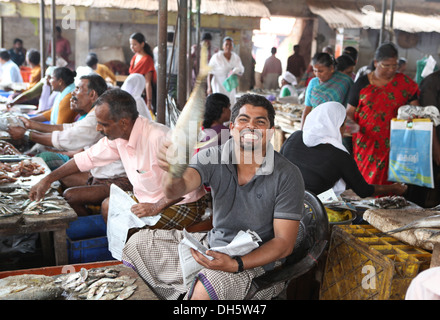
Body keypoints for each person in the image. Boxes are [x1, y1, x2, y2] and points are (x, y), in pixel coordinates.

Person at [122, 93, 305, 300]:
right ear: (233, 128)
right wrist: (173, 172)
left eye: (260, 122)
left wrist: (237, 264)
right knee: (137, 244)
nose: (250, 127)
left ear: (270, 132)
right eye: (244, 120)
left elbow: (284, 243)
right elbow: (178, 188)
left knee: (207, 288)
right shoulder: (212, 157)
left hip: (259, 262)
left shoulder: (287, 174)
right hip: (213, 244)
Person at [29, 89, 207, 227]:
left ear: (123, 123)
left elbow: (187, 184)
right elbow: (86, 158)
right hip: (146, 199)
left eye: (103, 124)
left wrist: (156, 207)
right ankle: (117, 258)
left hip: (182, 203)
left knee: (133, 228)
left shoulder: (159, 137)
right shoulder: (119, 137)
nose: (98, 128)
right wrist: (48, 179)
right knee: (108, 206)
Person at [8, 75, 129, 216]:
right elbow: (71, 134)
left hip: (114, 180)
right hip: (97, 173)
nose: (74, 92)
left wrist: (28, 133)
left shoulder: (103, 121)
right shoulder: (100, 121)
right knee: (61, 180)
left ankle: (89, 220)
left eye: (78, 89)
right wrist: (31, 126)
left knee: (68, 193)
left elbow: (68, 139)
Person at [280, 101, 407, 197]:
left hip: (279, 197)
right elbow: (363, 190)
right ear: (335, 125)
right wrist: (393, 188)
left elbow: (278, 165)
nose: (344, 128)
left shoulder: (295, 136)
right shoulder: (340, 156)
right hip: (310, 207)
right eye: (343, 124)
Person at [346, 42, 419, 186]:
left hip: (396, 144)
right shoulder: (361, 83)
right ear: (376, 63)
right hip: (367, 144)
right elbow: (349, 113)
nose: (391, 69)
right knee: (366, 185)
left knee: (392, 186)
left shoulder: (405, 83)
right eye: (386, 65)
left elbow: (415, 109)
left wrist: (414, 117)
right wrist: (351, 125)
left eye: (395, 65)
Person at [301, 52, 353, 127]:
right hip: (315, 126)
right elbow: (307, 110)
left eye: (321, 71)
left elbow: (350, 107)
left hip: (336, 127)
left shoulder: (344, 82)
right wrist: (301, 132)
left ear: (331, 68)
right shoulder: (313, 83)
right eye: (315, 70)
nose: (317, 74)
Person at [207, 36, 244, 107]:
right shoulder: (216, 57)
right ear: (223, 46)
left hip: (230, 87)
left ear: (232, 46)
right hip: (218, 86)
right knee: (219, 104)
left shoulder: (236, 58)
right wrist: (209, 87)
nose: (228, 46)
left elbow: (240, 72)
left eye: (230, 45)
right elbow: (210, 72)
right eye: (226, 44)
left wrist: (236, 72)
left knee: (230, 104)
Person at [129, 32, 157, 115]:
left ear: (142, 44)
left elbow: (148, 82)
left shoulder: (147, 60)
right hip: (132, 94)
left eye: (135, 44)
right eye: (131, 44)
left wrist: (149, 102)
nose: (132, 47)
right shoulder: (135, 57)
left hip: (142, 95)